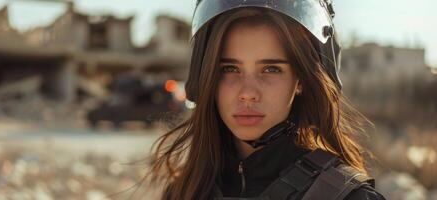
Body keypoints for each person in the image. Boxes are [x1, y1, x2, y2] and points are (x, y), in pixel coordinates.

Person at [149, 0, 386, 199]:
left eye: (271, 69)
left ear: (301, 80)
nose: (248, 92)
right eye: (229, 68)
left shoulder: (348, 196)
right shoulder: (184, 192)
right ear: (207, 77)